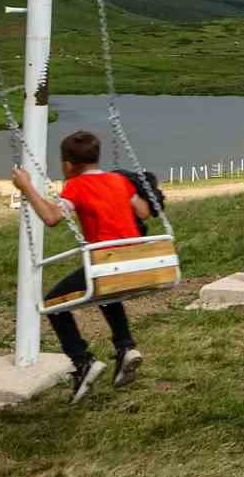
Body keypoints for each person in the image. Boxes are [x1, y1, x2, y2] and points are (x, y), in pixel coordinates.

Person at [10, 130, 154, 403]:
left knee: (53, 302)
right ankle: (125, 347)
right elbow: (144, 211)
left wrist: (27, 187)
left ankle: (82, 360)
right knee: (106, 290)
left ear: (67, 165)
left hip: (108, 263)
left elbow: (51, 217)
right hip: (137, 262)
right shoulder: (120, 180)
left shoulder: (75, 186)